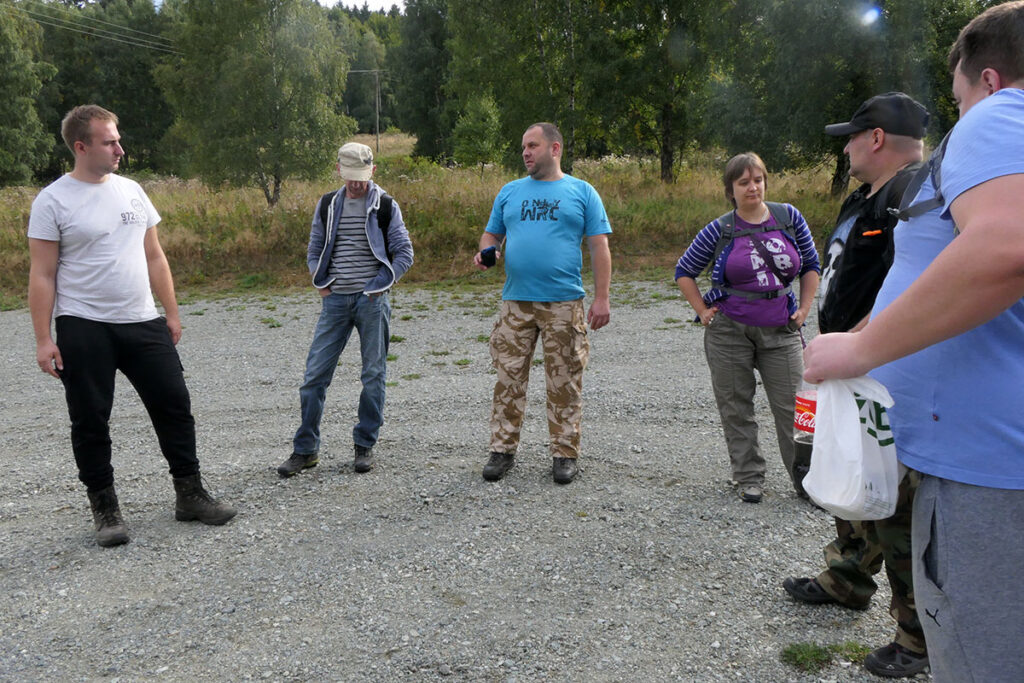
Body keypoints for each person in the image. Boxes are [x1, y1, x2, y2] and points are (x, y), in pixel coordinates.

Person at [803, 3, 1024, 680]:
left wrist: (859, 351)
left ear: (985, 79)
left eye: (956, 98)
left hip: (989, 471)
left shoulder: (999, 115)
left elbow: (1004, 247)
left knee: (983, 656)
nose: (957, 116)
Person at [27, 105, 236, 548]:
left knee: (174, 404)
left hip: (142, 320)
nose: (120, 149)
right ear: (81, 147)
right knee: (90, 419)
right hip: (84, 325)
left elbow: (155, 255)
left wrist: (171, 313)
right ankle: (105, 509)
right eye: (109, 142)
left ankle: (190, 495)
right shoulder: (53, 200)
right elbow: (42, 274)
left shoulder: (133, 191)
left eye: (118, 139)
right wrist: (44, 339)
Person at [782, 93, 930, 678]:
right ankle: (847, 577)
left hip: (881, 369)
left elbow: (913, 288)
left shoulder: (915, 197)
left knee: (894, 499)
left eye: (850, 137)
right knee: (837, 465)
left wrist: (858, 344)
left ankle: (916, 636)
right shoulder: (863, 196)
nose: (844, 147)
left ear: (874, 139)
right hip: (842, 364)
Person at [675, 153, 820, 503]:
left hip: (781, 329)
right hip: (729, 331)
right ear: (731, 190)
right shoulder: (720, 228)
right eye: (743, 182)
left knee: (795, 409)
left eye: (757, 179)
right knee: (736, 406)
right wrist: (703, 311)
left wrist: (803, 308)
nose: (752, 187)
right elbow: (684, 271)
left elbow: (811, 265)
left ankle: (808, 482)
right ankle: (749, 478)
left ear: (765, 182)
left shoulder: (789, 217)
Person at [473, 122, 611, 485]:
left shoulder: (581, 192)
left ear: (555, 148)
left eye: (532, 145)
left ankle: (565, 454)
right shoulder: (510, 192)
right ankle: (501, 450)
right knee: (508, 379)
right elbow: (492, 234)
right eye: (523, 147)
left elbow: (599, 246)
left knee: (564, 381)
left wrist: (601, 298)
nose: (525, 152)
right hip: (516, 303)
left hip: (564, 303)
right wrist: (488, 252)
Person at [278, 142, 413, 478]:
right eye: (351, 177)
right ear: (339, 170)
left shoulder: (385, 205)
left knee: (373, 376)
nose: (357, 183)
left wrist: (380, 285)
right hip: (335, 301)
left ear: (373, 171)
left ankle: (364, 445)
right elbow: (314, 248)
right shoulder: (327, 204)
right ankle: (305, 450)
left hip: (372, 302)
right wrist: (321, 282)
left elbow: (404, 253)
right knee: (313, 378)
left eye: (363, 177)